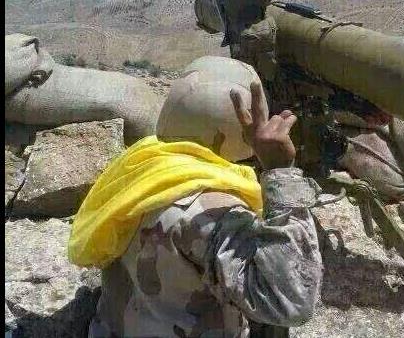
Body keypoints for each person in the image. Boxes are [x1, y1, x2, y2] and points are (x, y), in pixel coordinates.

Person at [70, 63, 324, 338]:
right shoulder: (211, 212)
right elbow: (292, 302)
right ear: (236, 126)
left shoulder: (141, 166)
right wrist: (281, 172)